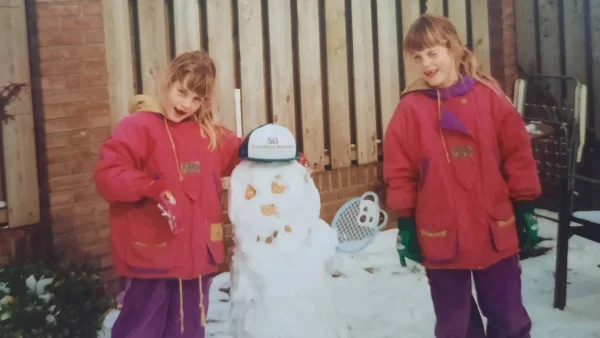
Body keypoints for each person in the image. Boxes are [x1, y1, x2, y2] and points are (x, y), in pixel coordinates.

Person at [383, 14, 541, 338]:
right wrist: (406, 221)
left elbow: (518, 154)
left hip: (493, 229)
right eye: (417, 57)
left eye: (432, 53)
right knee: (455, 326)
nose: (425, 63)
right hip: (441, 234)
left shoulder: (489, 96)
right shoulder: (410, 109)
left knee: (508, 318)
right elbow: (400, 171)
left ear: (452, 48)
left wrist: (524, 205)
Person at [94, 50, 243, 338]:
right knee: (141, 330)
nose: (187, 104)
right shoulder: (139, 127)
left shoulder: (208, 134)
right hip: (151, 260)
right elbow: (108, 175)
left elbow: (245, 153)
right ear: (168, 82)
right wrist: (148, 187)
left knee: (186, 331)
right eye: (182, 92)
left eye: (196, 99)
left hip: (197, 260)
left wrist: (281, 154)